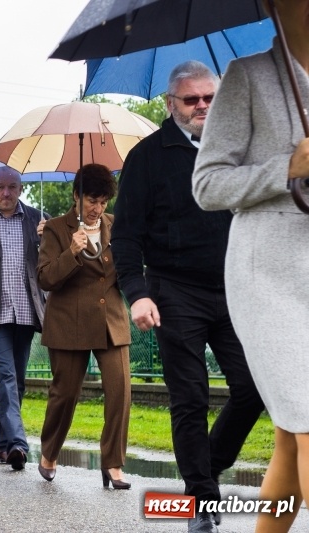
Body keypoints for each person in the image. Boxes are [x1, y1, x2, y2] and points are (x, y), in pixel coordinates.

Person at [113, 61, 265, 532]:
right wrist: (137, 294)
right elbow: (125, 236)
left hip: (235, 288)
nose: (202, 106)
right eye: (191, 99)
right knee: (190, 396)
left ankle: (207, 466)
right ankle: (201, 501)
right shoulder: (147, 157)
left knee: (253, 388)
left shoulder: (238, 149)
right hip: (174, 291)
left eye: (209, 97)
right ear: (170, 104)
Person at [192, 4, 309, 529]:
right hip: (267, 277)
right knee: (307, 420)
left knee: (290, 436)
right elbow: (207, 185)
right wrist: (287, 168)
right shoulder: (248, 76)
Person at [36, 164, 131, 489]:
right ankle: (50, 453)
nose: (97, 208)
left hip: (111, 321)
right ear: (76, 196)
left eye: (103, 202)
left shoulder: (115, 225)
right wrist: (71, 252)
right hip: (69, 322)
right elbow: (45, 278)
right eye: (92, 200)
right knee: (65, 394)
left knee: (120, 391)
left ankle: (113, 463)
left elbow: (126, 268)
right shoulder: (55, 229)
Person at [0, 166, 48, 470]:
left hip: (27, 312)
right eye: (0, 187)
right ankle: (18, 443)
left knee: (17, 382)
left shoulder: (38, 219)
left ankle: (1, 444)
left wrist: (47, 240)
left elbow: (50, 264)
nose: (6, 193)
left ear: (20, 188)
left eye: (12, 187)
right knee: (6, 377)